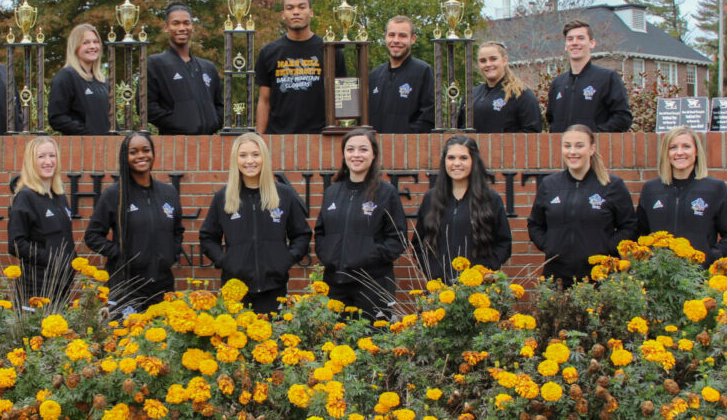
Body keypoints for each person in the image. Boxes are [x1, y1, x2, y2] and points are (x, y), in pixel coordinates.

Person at [198, 133, 311, 313]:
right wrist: (227, 261)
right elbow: (207, 237)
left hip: (274, 288)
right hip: (235, 290)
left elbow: (302, 234)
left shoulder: (284, 195)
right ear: (236, 160)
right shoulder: (223, 197)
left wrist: (285, 259)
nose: (249, 161)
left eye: (255, 154)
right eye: (243, 155)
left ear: (264, 158)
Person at [314, 126, 407, 320]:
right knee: (337, 345)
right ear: (344, 155)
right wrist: (329, 257)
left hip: (372, 284)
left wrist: (367, 256)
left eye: (363, 149)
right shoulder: (332, 192)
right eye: (350, 149)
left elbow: (397, 239)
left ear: (373, 155)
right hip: (335, 284)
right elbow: (321, 232)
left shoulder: (386, 192)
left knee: (372, 345)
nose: (356, 155)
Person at [84, 132, 184, 313]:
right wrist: (120, 253)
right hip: (126, 285)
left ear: (153, 154)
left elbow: (177, 231)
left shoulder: (168, 193)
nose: (141, 156)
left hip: (162, 285)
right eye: (133, 152)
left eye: (146, 150)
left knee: (161, 338)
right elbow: (92, 236)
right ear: (125, 157)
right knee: (126, 339)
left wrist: (171, 253)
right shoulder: (115, 194)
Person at [527, 124, 637, 285]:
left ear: (592, 149)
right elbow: (535, 224)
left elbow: (629, 226)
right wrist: (550, 246)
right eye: (567, 146)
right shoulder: (549, 185)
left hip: (601, 278)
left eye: (579, 146)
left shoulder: (612, 185)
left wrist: (606, 248)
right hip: (557, 277)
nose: (572, 152)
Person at [637, 126, 727, 265]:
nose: (679, 152)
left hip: (698, 278)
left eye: (686, 146)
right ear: (666, 153)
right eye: (673, 147)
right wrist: (649, 260)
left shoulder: (715, 188)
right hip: (658, 278)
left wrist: (710, 257)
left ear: (696, 152)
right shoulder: (651, 189)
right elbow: (640, 233)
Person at [412, 135, 511, 283]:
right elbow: (418, 243)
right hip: (440, 290)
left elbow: (504, 243)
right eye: (451, 158)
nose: (456, 163)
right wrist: (432, 271)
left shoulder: (491, 199)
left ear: (473, 161)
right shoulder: (430, 199)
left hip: (478, 289)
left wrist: (484, 272)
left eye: (463, 158)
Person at [254, 0, 342, 134]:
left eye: (302, 7)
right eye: (290, 8)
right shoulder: (268, 52)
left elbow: (339, 97)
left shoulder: (330, 50)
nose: (296, 12)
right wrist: (260, 138)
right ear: (283, 14)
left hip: (320, 136)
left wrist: (334, 133)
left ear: (311, 12)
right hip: (278, 136)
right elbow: (264, 100)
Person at [8, 136, 76, 306]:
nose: (48, 161)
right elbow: (16, 243)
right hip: (36, 289)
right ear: (31, 162)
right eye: (41, 156)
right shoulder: (25, 196)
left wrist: (71, 262)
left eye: (52, 156)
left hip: (61, 287)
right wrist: (52, 260)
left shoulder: (58, 196)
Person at [146, 2, 223, 134]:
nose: (182, 28)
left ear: (192, 27)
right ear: (166, 27)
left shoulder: (208, 67)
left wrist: (214, 122)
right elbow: (146, 106)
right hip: (173, 144)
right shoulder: (155, 64)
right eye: (176, 23)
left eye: (186, 23)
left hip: (208, 143)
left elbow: (220, 105)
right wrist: (177, 124)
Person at [545, 20, 632, 133]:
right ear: (566, 45)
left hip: (595, 149)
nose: (574, 43)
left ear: (592, 43)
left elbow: (623, 118)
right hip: (563, 149)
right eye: (570, 39)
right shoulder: (557, 83)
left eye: (581, 38)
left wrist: (591, 136)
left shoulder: (607, 78)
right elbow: (551, 120)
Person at [456, 41, 542, 132]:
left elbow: (532, 132)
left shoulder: (521, 94)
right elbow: (461, 131)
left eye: (493, 59)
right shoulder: (471, 95)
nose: (488, 64)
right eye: (483, 61)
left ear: (504, 60)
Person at [367, 16, 434, 134]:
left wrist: (405, 138)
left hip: (409, 147)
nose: (396, 40)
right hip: (376, 148)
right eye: (391, 35)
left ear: (413, 39)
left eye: (402, 36)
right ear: (385, 37)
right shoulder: (375, 75)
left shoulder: (423, 71)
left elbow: (428, 116)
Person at [49, 23, 111, 135]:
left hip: (106, 146)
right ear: (75, 46)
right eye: (86, 42)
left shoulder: (103, 81)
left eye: (96, 42)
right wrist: (86, 132)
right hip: (81, 147)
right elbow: (57, 118)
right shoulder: (66, 76)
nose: (92, 46)